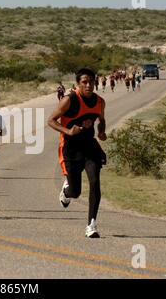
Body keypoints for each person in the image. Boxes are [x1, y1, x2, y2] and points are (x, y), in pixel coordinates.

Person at [47, 68, 107, 238]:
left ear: (95, 82)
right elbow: (50, 121)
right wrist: (68, 131)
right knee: (76, 192)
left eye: (91, 82)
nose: (88, 85)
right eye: (84, 82)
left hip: (90, 146)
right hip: (71, 148)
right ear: (78, 84)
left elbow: (101, 120)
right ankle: (66, 192)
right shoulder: (69, 100)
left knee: (95, 182)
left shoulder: (100, 102)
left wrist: (101, 132)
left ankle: (91, 224)